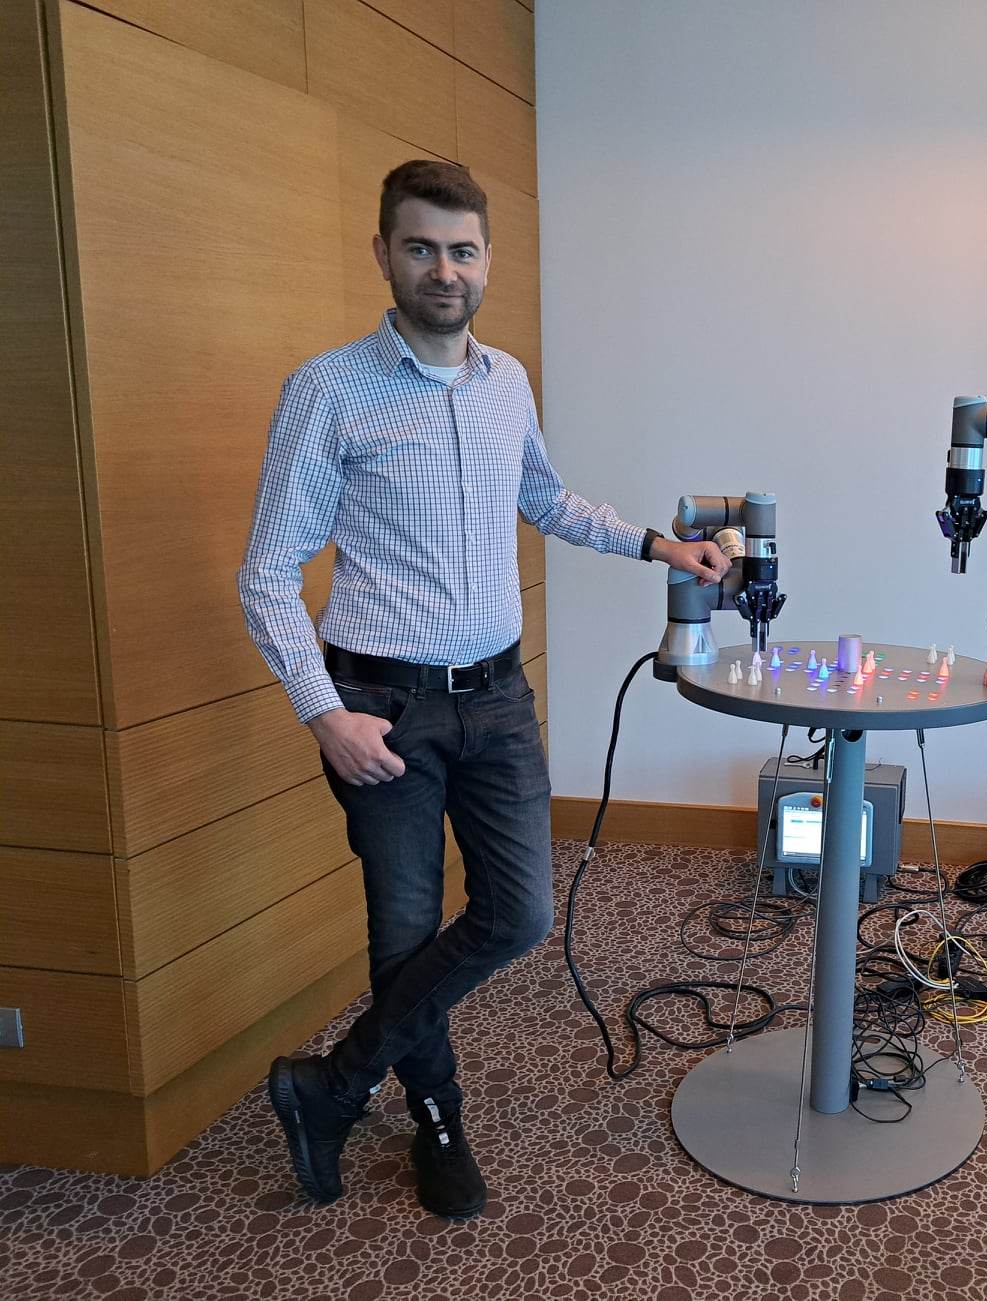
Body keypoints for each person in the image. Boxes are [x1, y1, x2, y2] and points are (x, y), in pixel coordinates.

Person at [237, 160, 725, 1219]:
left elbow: (545, 497)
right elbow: (267, 572)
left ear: (487, 260)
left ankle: (335, 1082)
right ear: (384, 253)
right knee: (405, 931)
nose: (443, 270)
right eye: (421, 247)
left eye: (462, 250)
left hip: (498, 700)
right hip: (381, 707)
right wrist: (324, 714)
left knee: (519, 912)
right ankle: (438, 1120)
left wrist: (658, 545)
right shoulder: (328, 390)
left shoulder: (506, 381)